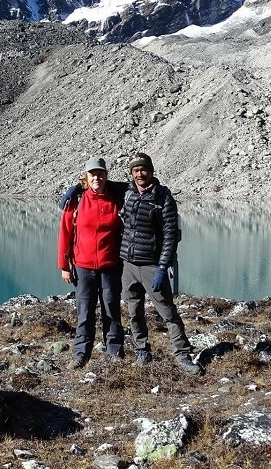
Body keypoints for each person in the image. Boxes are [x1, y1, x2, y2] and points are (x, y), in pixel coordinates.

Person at [120, 152, 201, 375]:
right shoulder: (126, 192)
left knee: (167, 312)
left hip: (152, 266)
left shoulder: (162, 197)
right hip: (128, 264)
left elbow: (170, 236)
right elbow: (99, 185)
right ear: (131, 174)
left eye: (143, 169)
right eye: (135, 170)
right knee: (134, 311)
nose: (140, 174)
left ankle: (182, 354)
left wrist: (163, 268)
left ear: (151, 171)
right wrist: (77, 188)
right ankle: (142, 350)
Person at [57, 156, 125, 369]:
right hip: (83, 266)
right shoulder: (76, 201)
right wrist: (64, 266)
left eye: (101, 173)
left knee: (111, 309)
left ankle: (114, 351)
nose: (97, 177)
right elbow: (65, 233)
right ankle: (81, 352)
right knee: (84, 310)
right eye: (92, 173)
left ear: (106, 176)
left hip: (110, 265)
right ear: (86, 177)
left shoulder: (117, 199)